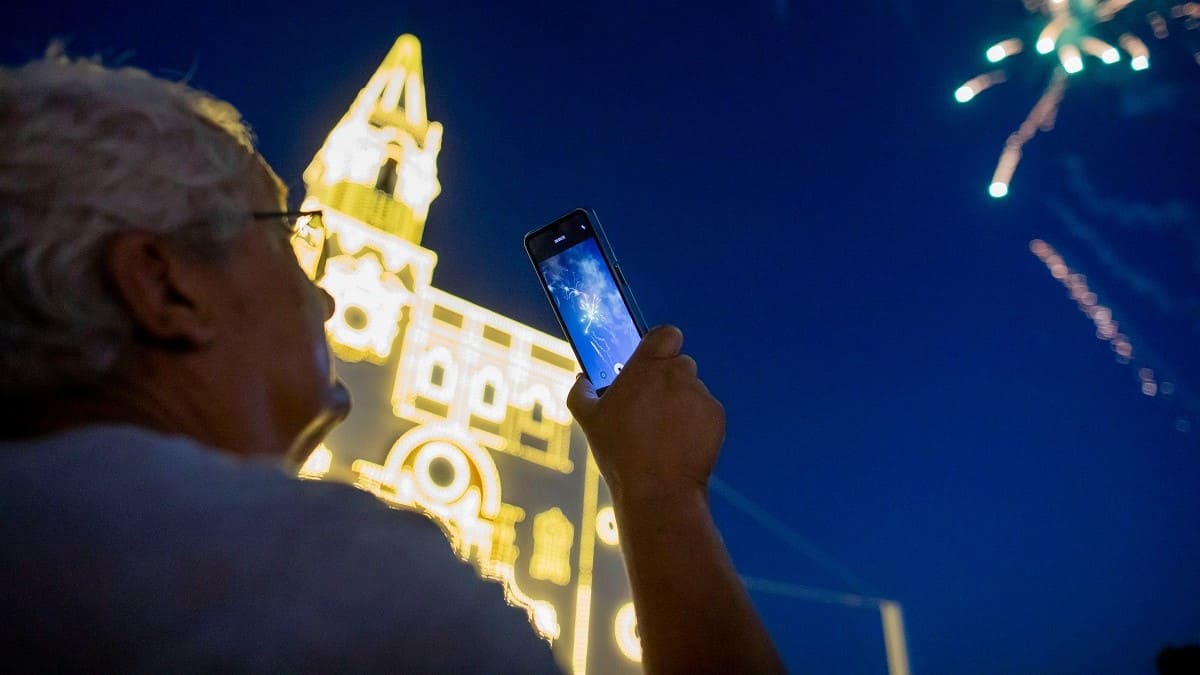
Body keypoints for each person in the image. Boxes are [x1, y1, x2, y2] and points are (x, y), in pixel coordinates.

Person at [0, 48, 784, 673]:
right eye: (286, 239)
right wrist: (661, 494)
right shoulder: (339, 583)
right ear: (164, 286)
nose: (323, 294)